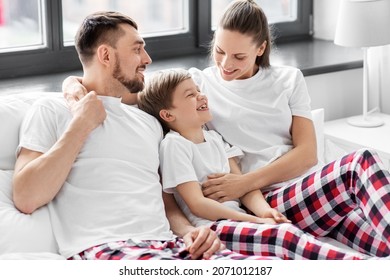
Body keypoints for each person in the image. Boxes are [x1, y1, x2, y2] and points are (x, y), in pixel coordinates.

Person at [62, 2, 390, 258]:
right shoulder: (199, 84)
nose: (225, 63)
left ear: (261, 48)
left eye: (238, 56)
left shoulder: (289, 79)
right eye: (219, 51)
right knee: (358, 162)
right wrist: (71, 84)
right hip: (263, 200)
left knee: (378, 241)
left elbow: (307, 154)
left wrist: (244, 182)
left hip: (300, 189)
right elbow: (131, 86)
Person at [12, 11, 270, 261]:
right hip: (110, 246)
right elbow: (26, 197)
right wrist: (81, 124)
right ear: (105, 55)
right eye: (137, 49)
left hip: (169, 243)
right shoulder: (52, 110)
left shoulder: (148, 122)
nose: (147, 58)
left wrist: (190, 232)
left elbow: (165, 202)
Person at [138, 68, 290, 227]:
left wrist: (265, 211)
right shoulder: (174, 145)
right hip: (213, 225)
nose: (201, 95)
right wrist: (256, 220)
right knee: (286, 235)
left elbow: (243, 186)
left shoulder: (215, 139)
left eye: (198, 90)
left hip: (241, 220)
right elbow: (197, 204)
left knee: (287, 232)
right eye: (190, 95)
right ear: (168, 115)